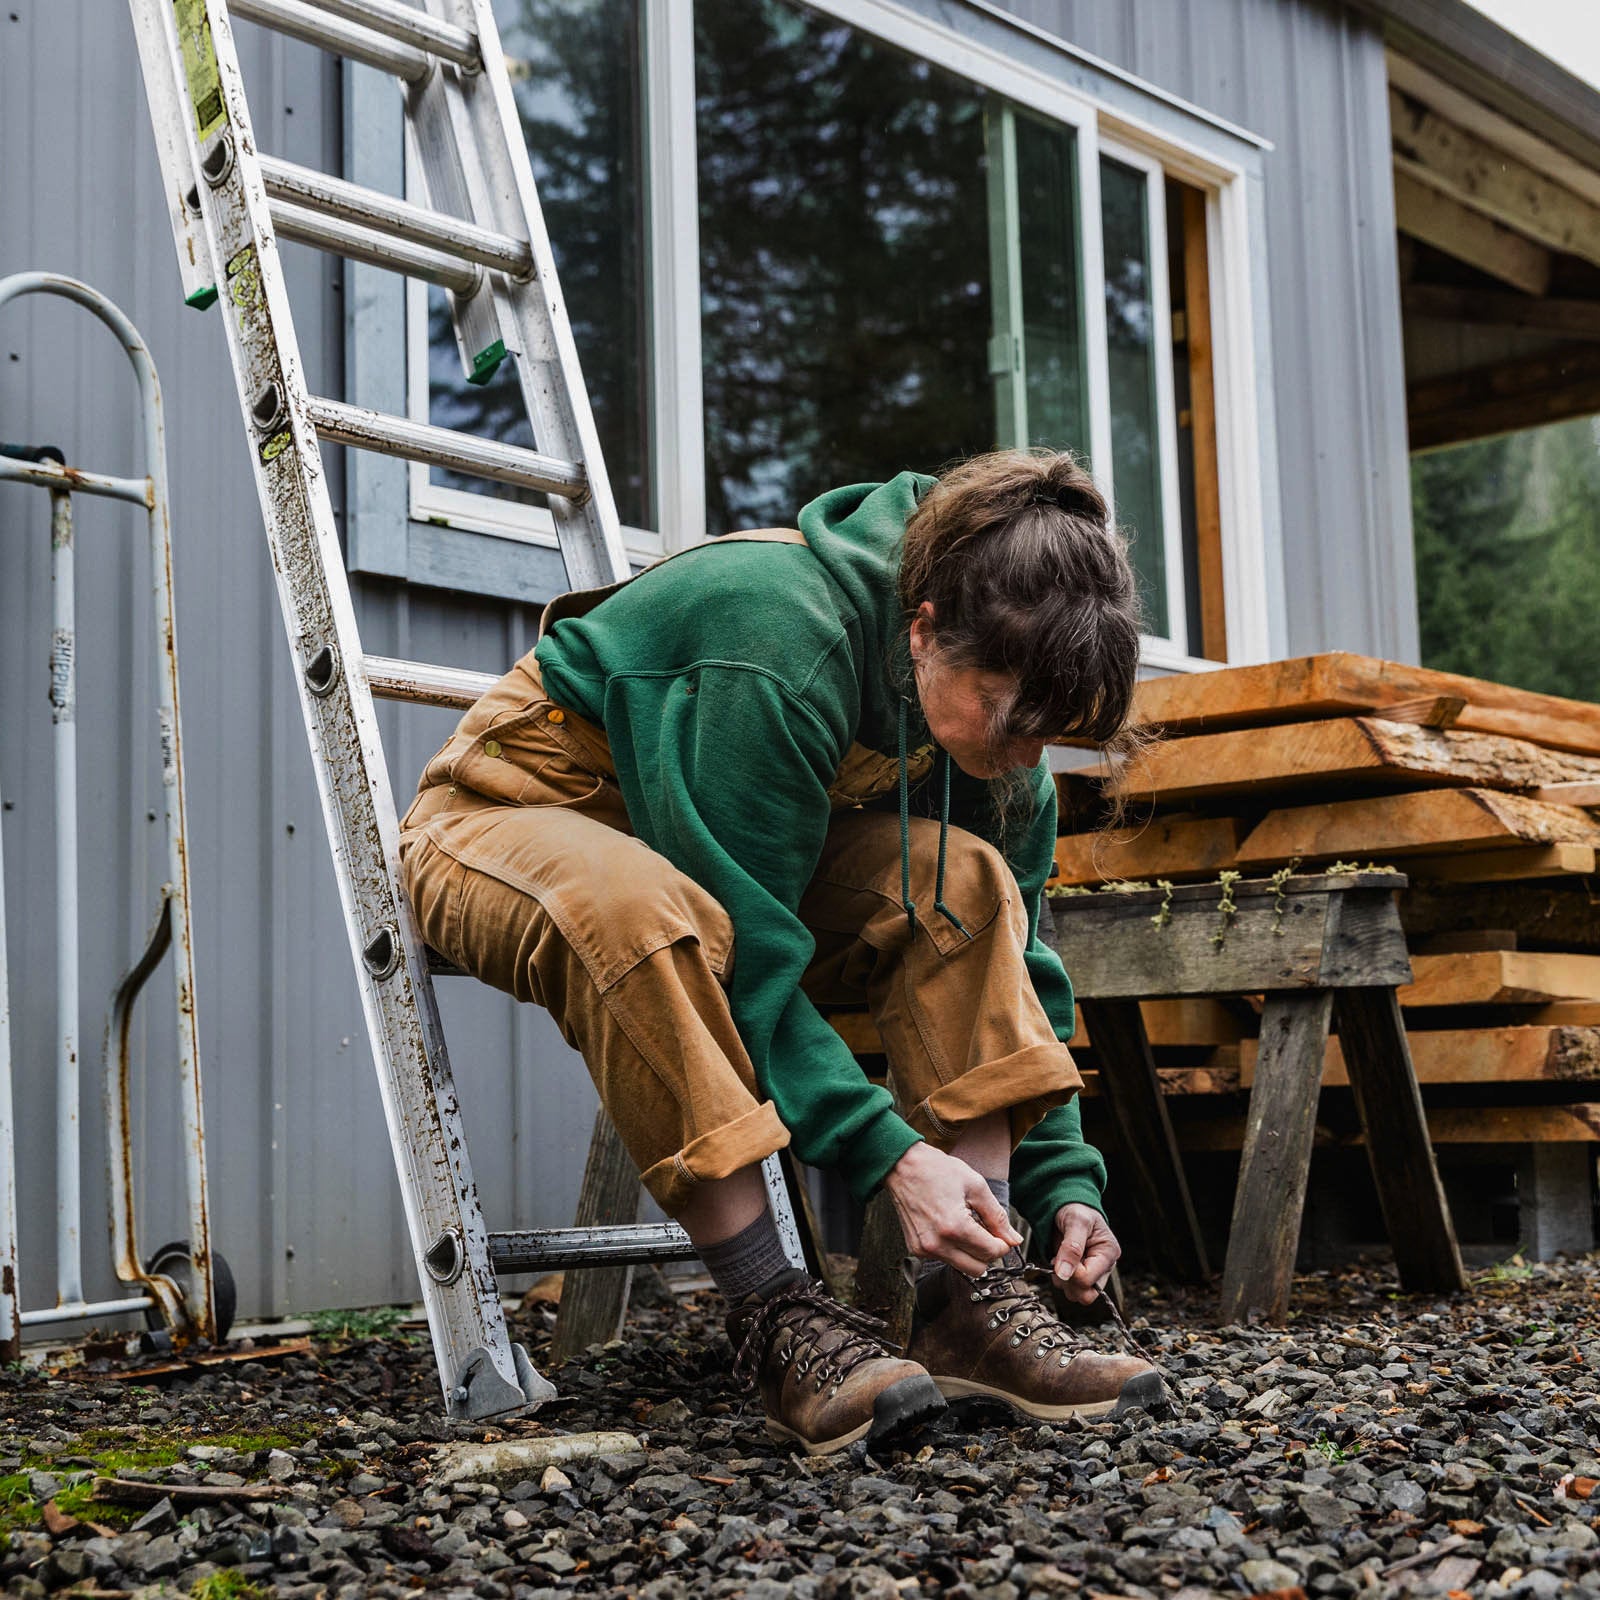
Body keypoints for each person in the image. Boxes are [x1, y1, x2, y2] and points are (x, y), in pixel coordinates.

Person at [399, 449, 1163, 1456]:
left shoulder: (992, 729)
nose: (1026, 755)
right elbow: (749, 951)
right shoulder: (774, 635)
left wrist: (1069, 1181)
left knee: (966, 880)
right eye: (1010, 715)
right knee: (641, 909)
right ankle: (773, 1314)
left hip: (712, 850)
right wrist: (889, 1155)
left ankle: (972, 1296)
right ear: (924, 626)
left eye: (1053, 732)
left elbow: (1022, 963)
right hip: (506, 812)